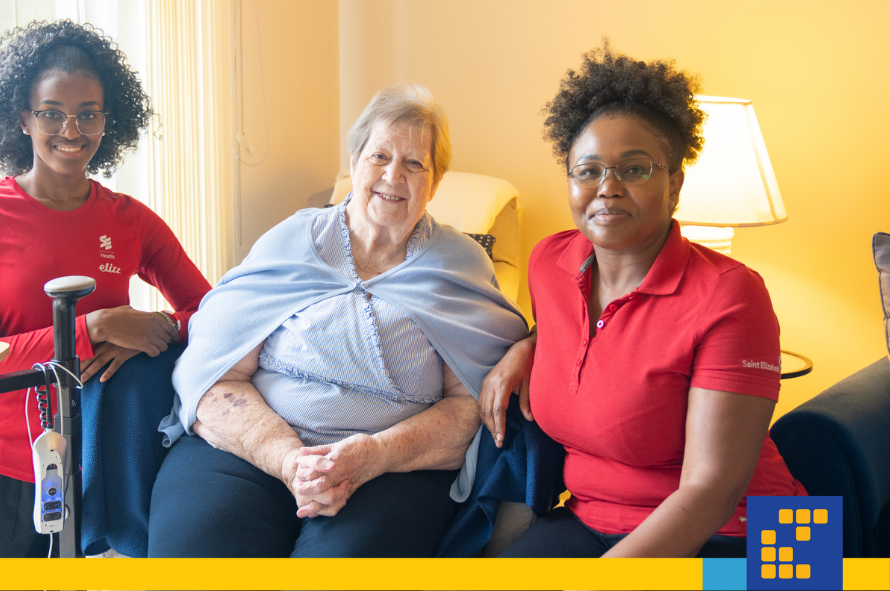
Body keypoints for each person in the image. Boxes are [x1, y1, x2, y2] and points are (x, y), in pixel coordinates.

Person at [148, 84, 528, 557]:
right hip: (250, 452)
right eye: (380, 156)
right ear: (354, 161)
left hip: (392, 470)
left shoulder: (459, 264)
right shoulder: (291, 240)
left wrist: (374, 454)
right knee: (197, 548)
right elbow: (216, 374)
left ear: (436, 181)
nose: (394, 175)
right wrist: (286, 458)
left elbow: (469, 406)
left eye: (415, 164)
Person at [479, 43, 805, 558]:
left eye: (634, 170)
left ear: (674, 182)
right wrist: (528, 347)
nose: (607, 188)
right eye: (588, 171)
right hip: (594, 517)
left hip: (758, 537)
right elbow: (596, 340)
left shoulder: (732, 295)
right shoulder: (549, 264)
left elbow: (712, 491)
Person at [0, 20, 210, 558]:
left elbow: (213, 311)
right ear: (23, 117)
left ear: (110, 119)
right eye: (52, 113)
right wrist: (93, 328)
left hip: (96, 468)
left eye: (90, 113)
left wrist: (153, 329)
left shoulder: (130, 220)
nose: (73, 129)